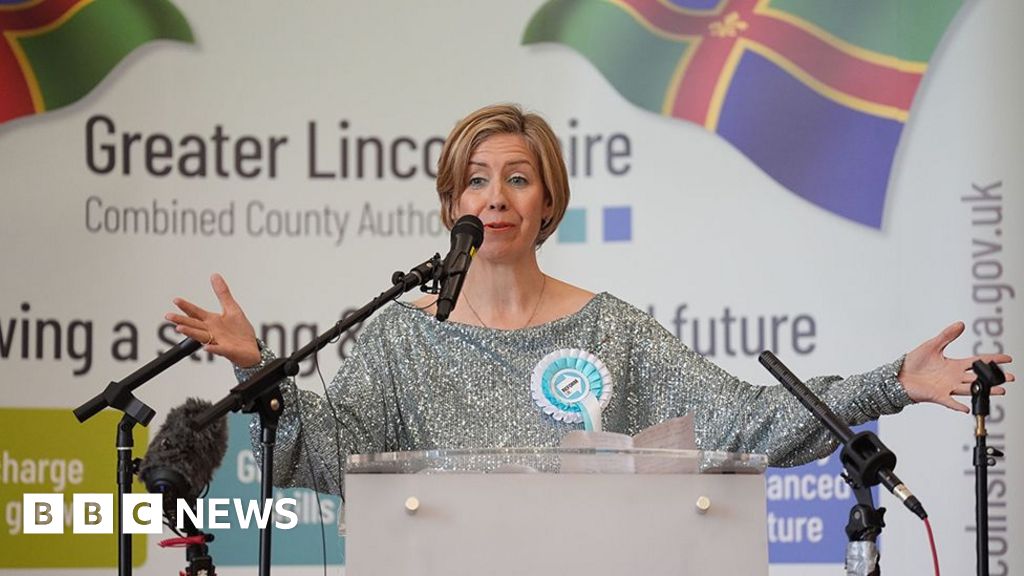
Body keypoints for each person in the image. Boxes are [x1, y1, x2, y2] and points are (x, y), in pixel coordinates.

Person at [166, 104, 1013, 496]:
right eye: (475, 181)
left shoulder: (610, 328)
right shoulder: (401, 340)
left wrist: (891, 381)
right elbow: (333, 459)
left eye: (517, 179)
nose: (495, 197)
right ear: (451, 207)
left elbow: (746, 421)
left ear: (548, 203)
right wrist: (261, 369)